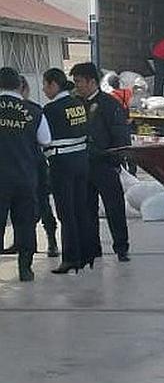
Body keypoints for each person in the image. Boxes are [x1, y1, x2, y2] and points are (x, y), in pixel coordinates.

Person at [70, 61, 132, 264]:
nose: (76, 85)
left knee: (114, 209)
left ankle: (121, 248)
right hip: (83, 165)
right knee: (87, 210)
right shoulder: (74, 104)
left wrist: (116, 160)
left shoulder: (109, 104)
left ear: (91, 81)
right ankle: (92, 249)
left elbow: (120, 134)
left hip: (105, 164)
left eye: (78, 81)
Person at [0, 66, 51, 282]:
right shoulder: (34, 110)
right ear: (20, 86)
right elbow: (46, 140)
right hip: (25, 176)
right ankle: (25, 269)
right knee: (25, 223)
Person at [42, 68, 90, 274]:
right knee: (80, 209)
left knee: (66, 213)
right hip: (81, 161)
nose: (44, 89)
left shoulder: (51, 110)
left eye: (45, 85)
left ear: (54, 84)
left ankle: (70, 258)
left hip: (61, 164)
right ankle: (85, 253)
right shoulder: (78, 104)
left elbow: (44, 139)